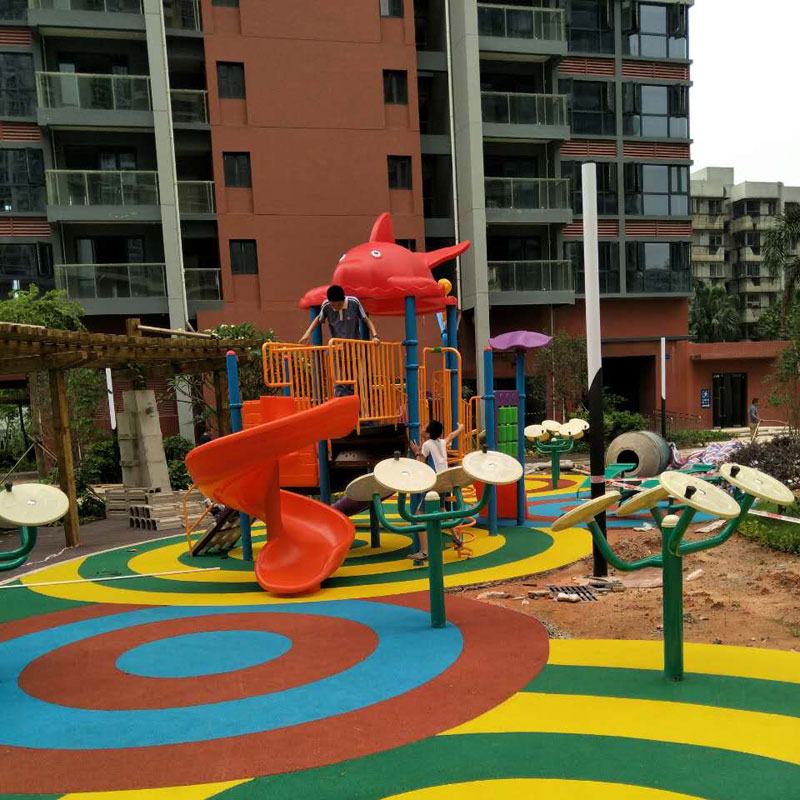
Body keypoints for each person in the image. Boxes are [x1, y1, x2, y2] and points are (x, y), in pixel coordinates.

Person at [299, 285, 380, 396]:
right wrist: (308, 333)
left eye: (339, 305)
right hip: (337, 350)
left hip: (354, 350)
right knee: (339, 382)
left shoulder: (353, 302)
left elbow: (366, 320)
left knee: (359, 381)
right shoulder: (327, 305)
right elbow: (318, 318)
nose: (336, 307)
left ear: (343, 299)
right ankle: (342, 404)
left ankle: (361, 406)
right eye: (334, 305)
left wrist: (375, 335)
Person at [407, 419, 464, 562]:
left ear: (427, 434)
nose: (422, 427)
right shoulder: (442, 442)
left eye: (424, 427)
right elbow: (451, 436)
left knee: (419, 516)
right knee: (442, 508)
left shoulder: (427, 444)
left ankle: (424, 551)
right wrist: (460, 428)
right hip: (445, 481)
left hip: (434, 483)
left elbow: (420, 464)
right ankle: (456, 536)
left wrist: (417, 452)